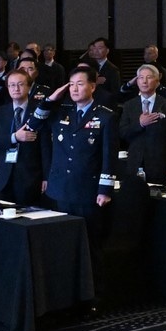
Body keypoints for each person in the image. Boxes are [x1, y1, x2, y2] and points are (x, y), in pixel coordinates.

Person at [39, 68, 117, 224]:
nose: (74, 89)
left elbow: (110, 156)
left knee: (89, 239)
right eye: (71, 84)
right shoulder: (61, 112)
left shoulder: (106, 116)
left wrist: (105, 190)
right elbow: (34, 123)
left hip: (87, 189)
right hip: (60, 188)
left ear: (93, 87)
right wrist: (49, 99)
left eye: (80, 84)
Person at [0, 69, 45, 205]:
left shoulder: (39, 111)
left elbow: (46, 148)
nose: (15, 88)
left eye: (20, 84)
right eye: (11, 85)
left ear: (29, 87)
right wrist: (14, 137)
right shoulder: (0, 112)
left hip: (30, 176)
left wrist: (46, 178)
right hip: (3, 175)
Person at [119, 63, 166, 181]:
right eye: (141, 78)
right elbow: (122, 132)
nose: (144, 81)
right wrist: (140, 124)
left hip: (159, 162)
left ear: (157, 82)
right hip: (135, 161)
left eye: (149, 77)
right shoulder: (129, 105)